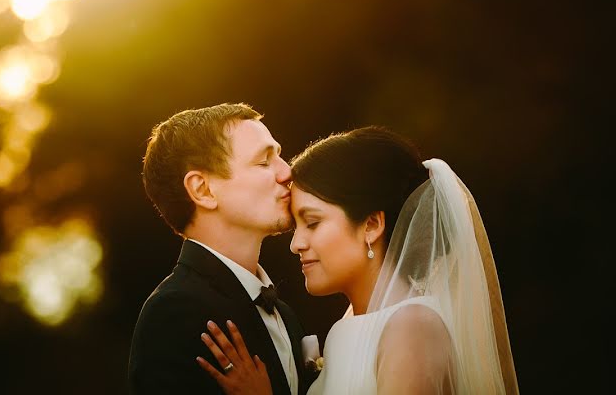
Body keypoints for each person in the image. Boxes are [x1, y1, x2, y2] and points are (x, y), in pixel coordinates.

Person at [197, 126, 519, 394]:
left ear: (371, 225)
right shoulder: (344, 330)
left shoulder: (412, 327)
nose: (296, 244)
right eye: (297, 226)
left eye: (313, 222)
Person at [128, 103, 315, 395]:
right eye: (264, 162)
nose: (287, 172)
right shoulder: (174, 314)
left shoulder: (284, 314)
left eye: (279, 156)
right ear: (203, 190)